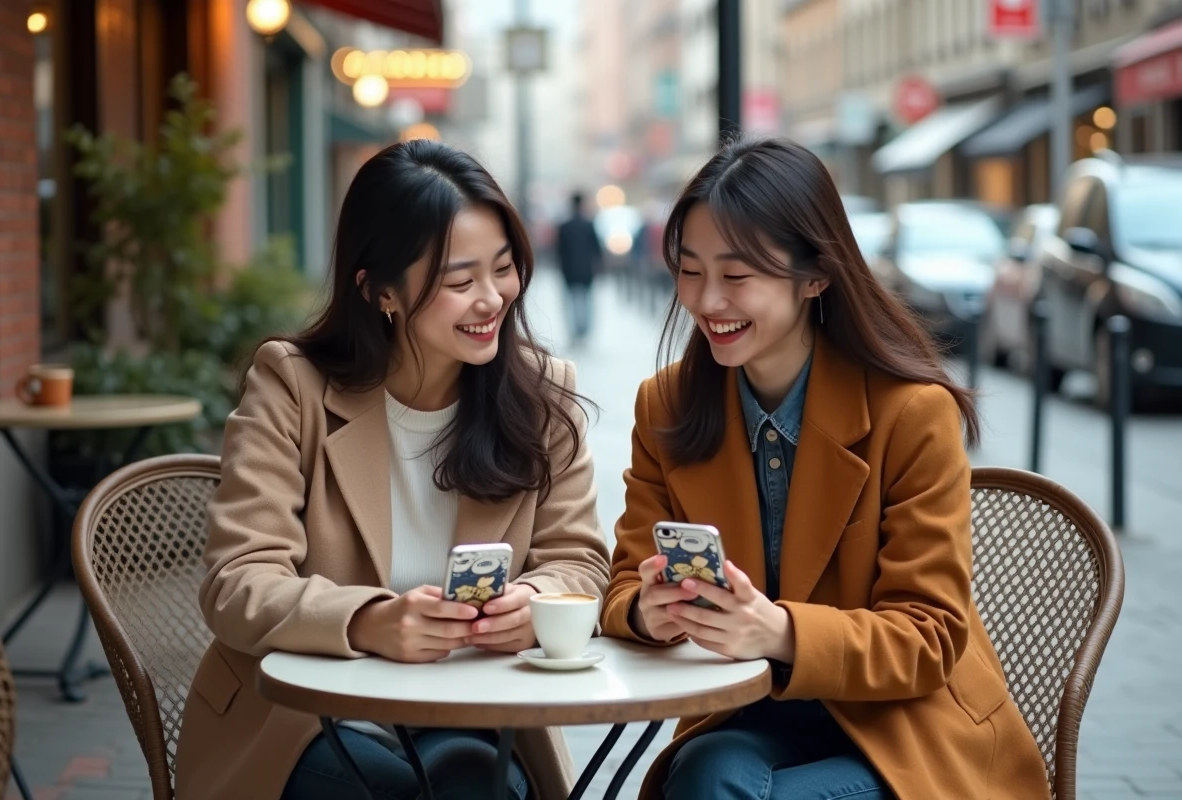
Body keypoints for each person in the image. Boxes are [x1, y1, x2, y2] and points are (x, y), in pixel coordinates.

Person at [601, 137, 1050, 800]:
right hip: (749, 714)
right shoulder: (667, 405)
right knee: (703, 773)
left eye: (738, 274)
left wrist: (776, 630)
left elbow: (928, 638)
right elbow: (620, 588)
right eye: (689, 270)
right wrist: (649, 612)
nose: (706, 300)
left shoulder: (910, 412)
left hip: (910, 731)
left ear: (815, 276)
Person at [174, 140, 610, 800]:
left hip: (473, 707)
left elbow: (579, 561)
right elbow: (238, 581)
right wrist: (367, 621)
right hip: (302, 719)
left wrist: (538, 604)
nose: (493, 299)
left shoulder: (543, 396)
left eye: (504, 268)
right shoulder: (292, 386)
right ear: (379, 290)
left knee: (474, 785)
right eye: (460, 282)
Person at [555, 191, 602, 344]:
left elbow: (559, 250)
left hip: (569, 270)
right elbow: (597, 249)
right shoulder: (589, 224)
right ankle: (584, 329)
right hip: (586, 270)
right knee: (586, 300)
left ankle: (575, 330)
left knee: (572, 301)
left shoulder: (564, 226)